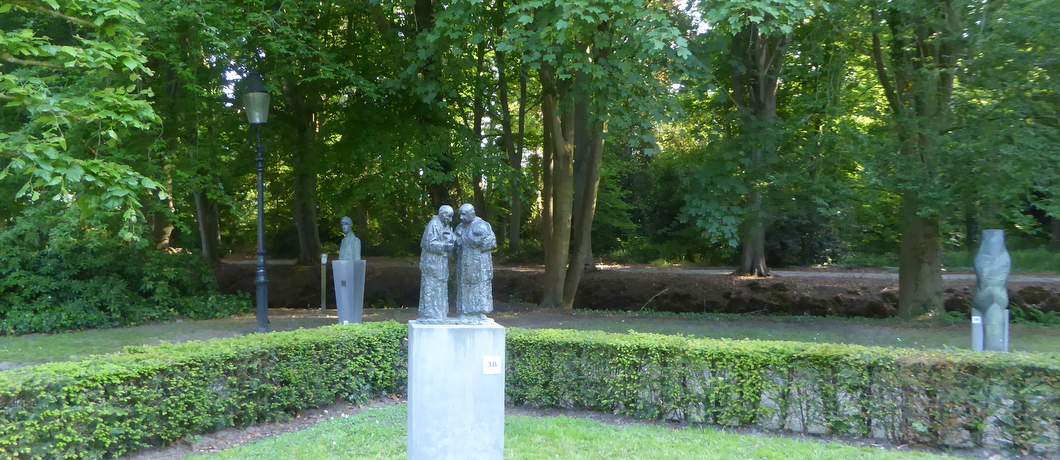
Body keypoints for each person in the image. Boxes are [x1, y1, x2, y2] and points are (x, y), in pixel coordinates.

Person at [453, 203, 496, 322]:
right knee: (465, 286)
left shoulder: (482, 225)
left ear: (472, 213)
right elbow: (455, 243)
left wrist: (471, 242)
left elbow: (492, 242)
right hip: (465, 263)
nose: (461, 217)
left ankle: (481, 313)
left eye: (464, 214)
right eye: (460, 214)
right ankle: (465, 312)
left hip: (481, 264)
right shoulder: (460, 227)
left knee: (481, 286)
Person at [418, 205, 455, 321]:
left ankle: (438, 313)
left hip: (440, 263)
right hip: (432, 263)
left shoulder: (444, 225)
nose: (450, 219)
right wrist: (445, 246)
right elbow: (429, 243)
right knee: (432, 287)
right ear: (443, 214)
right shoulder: (433, 225)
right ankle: (431, 314)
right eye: (449, 216)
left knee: (439, 287)